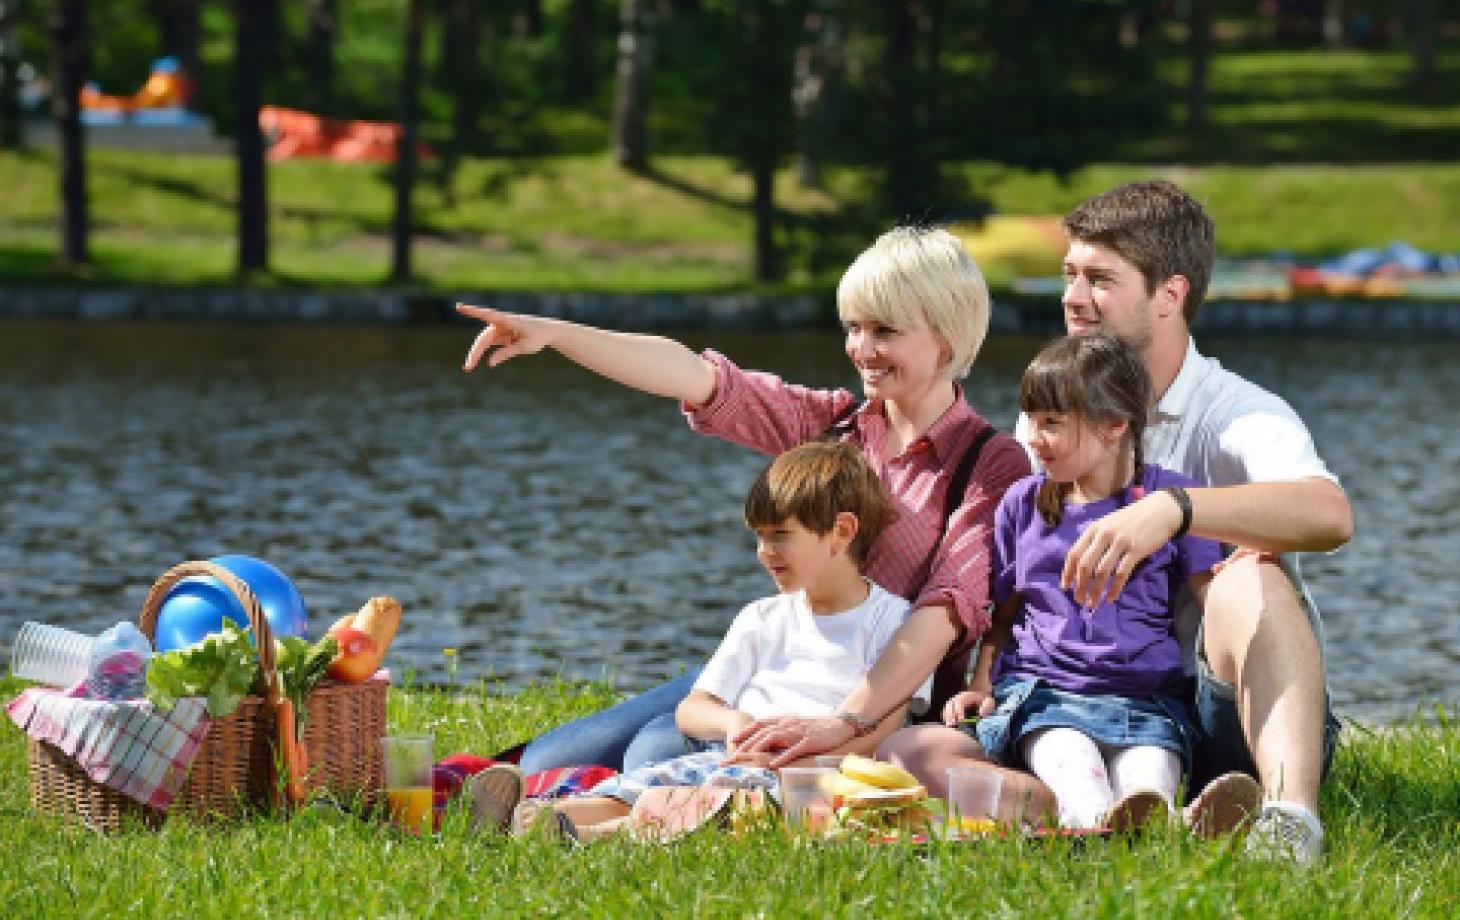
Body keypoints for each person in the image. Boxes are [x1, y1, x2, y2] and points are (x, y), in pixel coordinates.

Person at [882, 179, 1352, 864]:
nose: (1073, 297)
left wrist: (1174, 509)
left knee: (1253, 576)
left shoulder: (1239, 412)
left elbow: (1331, 515)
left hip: (1220, 717)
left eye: (1100, 279)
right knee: (921, 749)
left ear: (1170, 294)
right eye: (1070, 274)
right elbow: (1022, 581)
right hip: (1070, 699)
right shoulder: (1056, 409)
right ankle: (1088, 806)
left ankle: (1288, 818)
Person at [457, 225, 1031, 774]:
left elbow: (941, 615)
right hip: (780, 668)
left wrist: (842, 721)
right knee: (545, 762)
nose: (861, 349)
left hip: (885, 700)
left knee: (655, 752)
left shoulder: (989, 463)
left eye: (884, 332)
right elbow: (698, 378)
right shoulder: (832, 426)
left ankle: (633, 811)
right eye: (853, 327)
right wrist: (556, 334)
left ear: (947, 338)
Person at [483, 441, 931, 839]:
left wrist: (800, 767)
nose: (764, 552)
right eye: (759, 537)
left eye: (781, 537)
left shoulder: (894, 620)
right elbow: (692, 708)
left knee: (721, 807)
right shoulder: (762, 616)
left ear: (842, 532)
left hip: (814, 777)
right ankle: (532, 817)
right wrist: (734, 726)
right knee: (644, 786)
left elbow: (887, 727)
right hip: (731, 759)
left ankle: (585, 834)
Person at [940, 333, 1228, 831]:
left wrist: (1245, 575)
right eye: (1032, 420)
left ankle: (1160, 821)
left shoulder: (1173, 501)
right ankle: (1119, 825)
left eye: (1052, 424)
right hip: (1047, 697)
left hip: (1148, 703)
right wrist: (981, 684)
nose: (1033, 437)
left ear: (1115, 425)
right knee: (1074, 769)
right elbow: (1005, 614)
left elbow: (1214, 599)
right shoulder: (1022, 504)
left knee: (1148, 778)